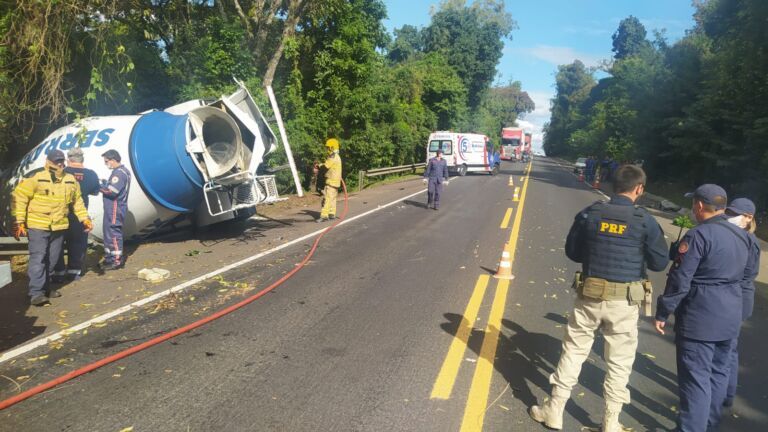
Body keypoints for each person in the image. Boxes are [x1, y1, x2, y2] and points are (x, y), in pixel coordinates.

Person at [529, 165, 668, 431]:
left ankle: (554, 410)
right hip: (625, 304)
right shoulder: (645, 221)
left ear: (612, 185)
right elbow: (660, 262)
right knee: (619, 363)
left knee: (573, 351)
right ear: (639, 189)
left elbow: (572, 251)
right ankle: (611, 421)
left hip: (590, 297)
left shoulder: (589, 213)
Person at [655, 185, 757, 432]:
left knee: (696, 380)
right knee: (718, 374)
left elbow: (680, 279)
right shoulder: (744, 237)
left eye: (693, 205)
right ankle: (709, 425)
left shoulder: (699, 235)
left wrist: (663, 311)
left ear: (699, 206)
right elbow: (747, 279)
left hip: (700, 317)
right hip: (730, 315)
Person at [11, 150, 93, 305]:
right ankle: (36, 292)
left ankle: (46, 287)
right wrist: (19, 221)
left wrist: (85, 219)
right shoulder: (36, 178)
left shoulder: (70, 180)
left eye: (61, 161)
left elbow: (77, 202)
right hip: (38, 225)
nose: (60, 164)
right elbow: (19, 197)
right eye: (56, 161)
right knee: (39, 257)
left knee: (53, 259)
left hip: (59, 226)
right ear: (48, 161)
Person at [722, 198, 760, 410]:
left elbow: (745, 274)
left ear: (749, 218)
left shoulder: (747, 241)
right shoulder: (745, 238)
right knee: (730, 347)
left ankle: (725, 392)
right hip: (740, 298)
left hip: (738, 298)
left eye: (737, 214)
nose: (731, 217)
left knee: (728, 347)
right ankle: (727, 392)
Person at [53, 148, 100, 281]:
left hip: (61, 215)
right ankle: (74, 272)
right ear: (82, 159)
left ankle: (58, 273)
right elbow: (95, 191)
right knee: (78, 243)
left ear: (68, 159)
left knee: (58, 244)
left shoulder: (61, 173)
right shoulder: (91, 175)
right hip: (80, 215)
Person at [99, 149, 131, 270]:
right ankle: (109, 258)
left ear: (113, 160)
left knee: (113, 233)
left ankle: (117, 261)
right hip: (112, 208)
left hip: (115, 208)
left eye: (107, 161)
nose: (106, 163)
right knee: (108, 233)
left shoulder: (119, 173)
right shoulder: (121, 171)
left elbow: (112, 191)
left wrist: (98, 186)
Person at [317, 138, 342, 223]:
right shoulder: (337, 156)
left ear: (331, 147)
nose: (327, 149)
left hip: (331, 181)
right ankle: (332, 213)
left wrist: (319, 166)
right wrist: (321, 165)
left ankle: (324, 215)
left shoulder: (332, 156)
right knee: (333, 198)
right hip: (336, 182)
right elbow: (329, 165)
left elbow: (326, 167)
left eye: (328, 147)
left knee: (327, 198)